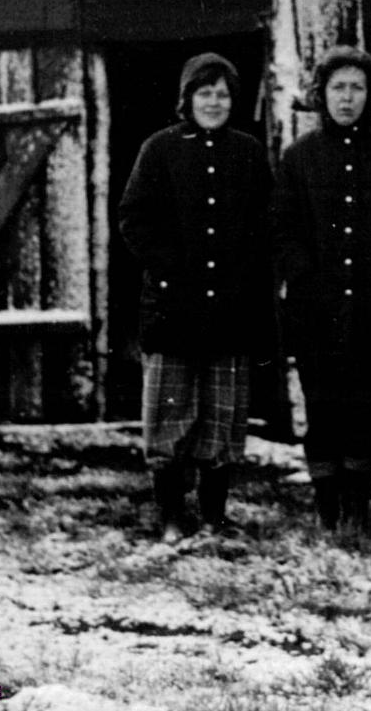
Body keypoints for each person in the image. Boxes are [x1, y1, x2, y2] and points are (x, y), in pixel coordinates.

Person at [117, 52, 273, 541]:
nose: (213, 102)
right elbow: (133, 217)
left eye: (222, 94)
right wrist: (168, 269)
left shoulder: (248, 152)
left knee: (221, 418)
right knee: (169, 415)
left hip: (229, 309)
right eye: (204, 93)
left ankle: (214, 514)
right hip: (172, 307)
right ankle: (169, 514)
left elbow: (265, 224)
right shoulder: (159, 149)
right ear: (187, 99)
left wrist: (244, 278)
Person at [271, 46, 371, 535]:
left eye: (357, 88)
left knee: (364, 407)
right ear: (322, 95)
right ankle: (326, 506)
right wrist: (308, 280)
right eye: (338, 87)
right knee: (323, 407)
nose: (347, 97)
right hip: (316, 310)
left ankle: (357, 508)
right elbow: (284, 230)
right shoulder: (299, 158)